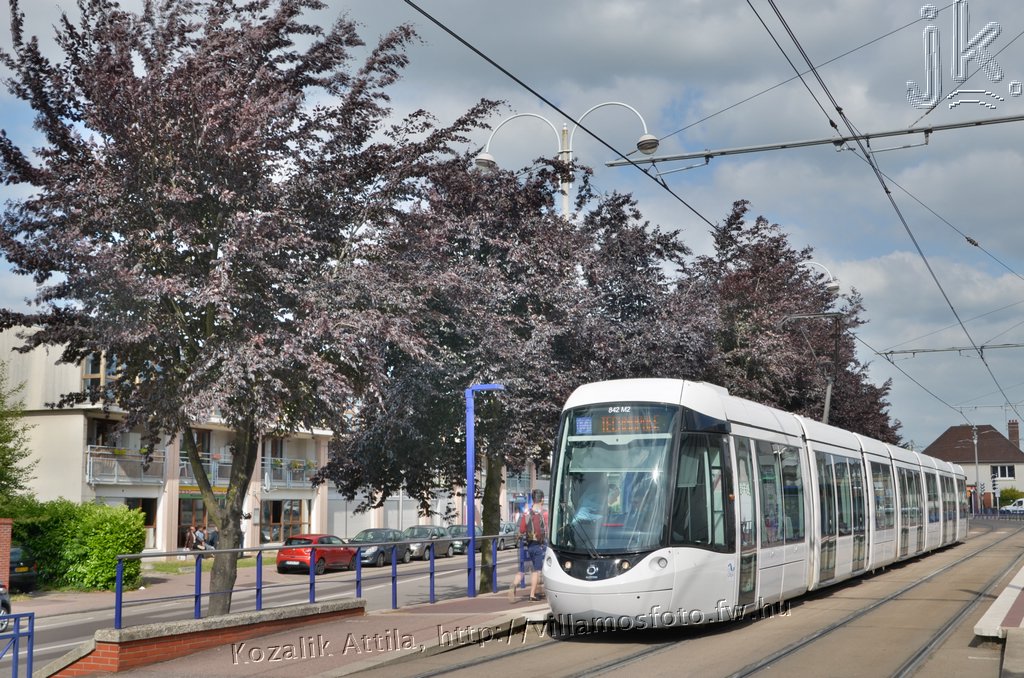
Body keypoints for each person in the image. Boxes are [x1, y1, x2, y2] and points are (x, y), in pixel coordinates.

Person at [511, 488, 547, 602]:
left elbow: (521, 530)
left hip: (528, 545)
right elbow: (548, 529)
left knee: (523, 569)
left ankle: (514, 584)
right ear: (542, 499)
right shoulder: (544, 513)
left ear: (533, 499)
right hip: (539, 546)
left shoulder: (526, 513)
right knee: (536, 570)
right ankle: (532, 595)